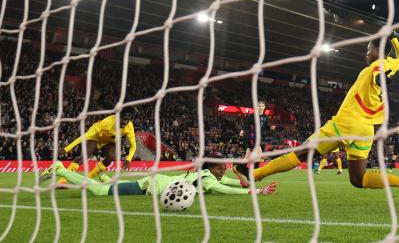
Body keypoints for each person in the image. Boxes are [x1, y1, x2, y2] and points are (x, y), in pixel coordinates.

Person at [234, 33, 399, 205]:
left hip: (347, 123)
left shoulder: (376, 66)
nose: (365, 54)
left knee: (301, 153)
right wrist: (394, 38)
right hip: (366, 129)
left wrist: (382, 76)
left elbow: (377, 76)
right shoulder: (392, 64)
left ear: (377, 50)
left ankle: (254, 175)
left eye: (368, 50)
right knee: (358, 179)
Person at [39, 158, 277, 196]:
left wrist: (246, 180)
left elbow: (233, 183)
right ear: (212, 169)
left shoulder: (208, 175)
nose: (223, 171)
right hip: (150, 185)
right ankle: (60, 169)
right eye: (221, 169)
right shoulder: (207, 179)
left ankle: (104, 177)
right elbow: (226, 190)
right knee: (100, 193)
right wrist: (254, 192)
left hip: (158, 183)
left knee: (108, 185)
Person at [58, 111, 137, 184]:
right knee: (85, 156)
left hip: (109, 141)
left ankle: (88, 179)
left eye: (128, 120)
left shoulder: (129, 127)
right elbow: (84, 136)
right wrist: (66, 149)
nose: (125, 122)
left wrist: (128, 160)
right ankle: (63, 180)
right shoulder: (107, 122)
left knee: (111, 157)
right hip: (95, 137)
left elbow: (133, 146)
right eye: (123, 119)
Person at [240, 100, 275, 168]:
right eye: (259, 106)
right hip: (252, 136)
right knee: (259, 153)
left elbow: (265, 126)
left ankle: (239, 169)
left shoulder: (265, 117)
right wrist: (242, 130)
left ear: (264, 107)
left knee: (248, 156)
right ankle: (255, 172)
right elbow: (246, 123)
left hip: (258, 137)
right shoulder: (253, 115)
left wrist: (270, 127)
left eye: (262, 106)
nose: (260, 107)